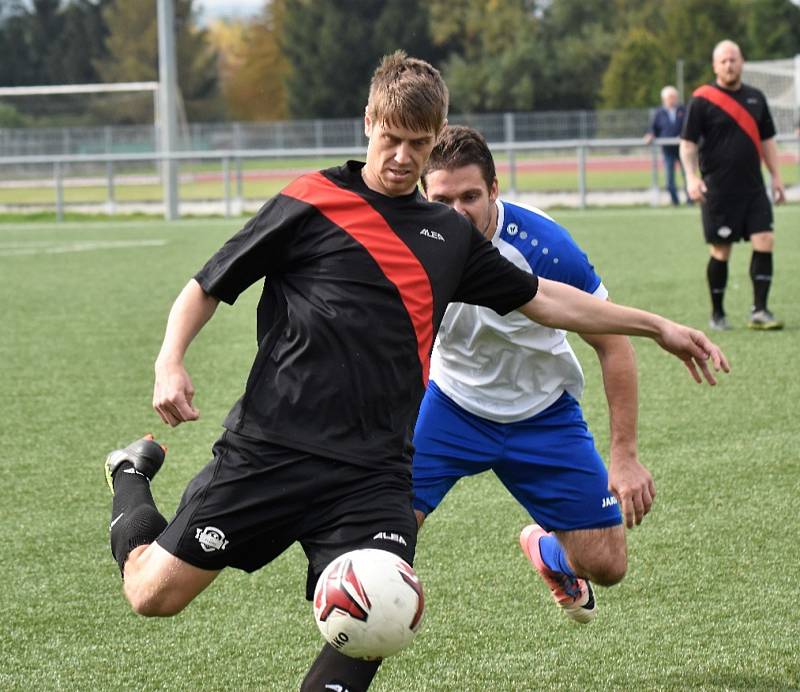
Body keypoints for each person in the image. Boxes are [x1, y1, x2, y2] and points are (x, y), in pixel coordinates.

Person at [104, 52, 728, 692]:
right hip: (272, 447)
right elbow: (209, 283)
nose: (402, 156)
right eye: (391, 138)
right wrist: (169, 360)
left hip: (373, 469)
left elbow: (545, 297)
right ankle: (129, 473)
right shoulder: (309, 201)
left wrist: (656, 326)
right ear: (369, 121)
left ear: (436, 139)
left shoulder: (448, 237)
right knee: (154, 595)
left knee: (382, 609)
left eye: (419, 144)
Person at [413, 125, 652, 624]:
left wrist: (625, 456)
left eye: (471, 196)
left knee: (607, 565)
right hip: (450, 406)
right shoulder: (411, 244)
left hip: (542, 414)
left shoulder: (544, 245)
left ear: (495, 190)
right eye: (442, 199)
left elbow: (612, 344)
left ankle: (549, 554)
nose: (457, 212)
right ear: (423, 194)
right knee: (381, 533)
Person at [680, 39, 786, 332]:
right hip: (718, 191)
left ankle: (760, 310)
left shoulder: (756, 98)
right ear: (715, 65)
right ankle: (718, 314)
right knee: (721, 250)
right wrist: (691, 178)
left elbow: (768, 141)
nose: (729, 65)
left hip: (753, 188)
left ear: (742, 62)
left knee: (765, 239)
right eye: (724, 60)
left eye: (734, 59)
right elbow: (687, 145)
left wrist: (776, 176)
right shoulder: (702, 99)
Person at [644, 85, 689, 206]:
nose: (673, 99)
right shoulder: (659, 113)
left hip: (683, 148)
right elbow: (653, 129)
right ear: (664, 98)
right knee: (669, 178)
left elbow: (689, 126)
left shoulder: (683, 110)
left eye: (675, 96)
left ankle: (690, 200)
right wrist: (650, 135)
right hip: (667, 149)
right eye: (670, 97)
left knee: (688, 174)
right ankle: (675, 201)